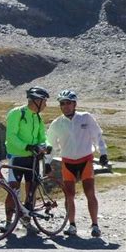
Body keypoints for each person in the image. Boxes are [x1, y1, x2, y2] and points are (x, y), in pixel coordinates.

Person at [46, 90, 108, 237]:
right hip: (67, 162)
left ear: (74, 104)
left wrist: (103, 153)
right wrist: (47, 162)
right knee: (69, 196)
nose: (65, 106)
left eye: (68, 103)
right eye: (62, 103)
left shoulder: (86, 117)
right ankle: (72, 225)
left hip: (85, 160)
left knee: (90, 193)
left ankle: (95, 225)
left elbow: (97, 136)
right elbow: (51, 145)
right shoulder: (56, 123)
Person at [2, 86, 51, 234]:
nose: (45, 105)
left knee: (31, 190)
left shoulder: (38, 117)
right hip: (17, 158)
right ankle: (8, 222)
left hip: (33, 158)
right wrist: (27, 146)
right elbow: (11, 136)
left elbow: (42, 137)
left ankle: (26, 220)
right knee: (13, 189)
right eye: (44, 101)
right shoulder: (17, 113)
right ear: (36, 100)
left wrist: (46, 146)